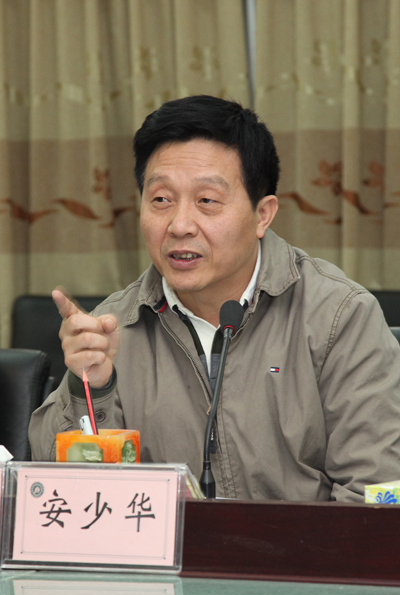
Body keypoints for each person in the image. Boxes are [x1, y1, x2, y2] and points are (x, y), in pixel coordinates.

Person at [29, 95, 400, 502]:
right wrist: (92, 388)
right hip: (169, 547)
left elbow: (375, 492)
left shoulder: (339, 317)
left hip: (304, 546)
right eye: (161, 200)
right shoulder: (114, 327)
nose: (180, 225)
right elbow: (57, 494)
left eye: (207, 201)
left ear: (262, 215)